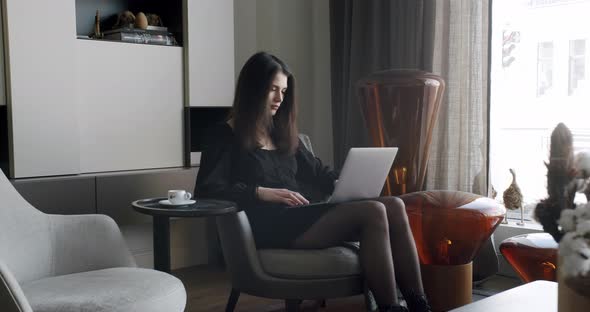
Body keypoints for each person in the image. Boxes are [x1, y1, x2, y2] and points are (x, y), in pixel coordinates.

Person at [195, 52, 431, 312]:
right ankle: (390, 308)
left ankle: (420, 304)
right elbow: (207, 190)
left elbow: (318, 172)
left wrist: (345, 180)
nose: (279, 99)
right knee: (374, 210)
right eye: (273, 89)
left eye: (283, 91)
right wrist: (260, 192)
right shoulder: (224, 135)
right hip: (265, 225)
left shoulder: (281, 133)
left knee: (395, 205)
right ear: (253, 89)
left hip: (299, 217)